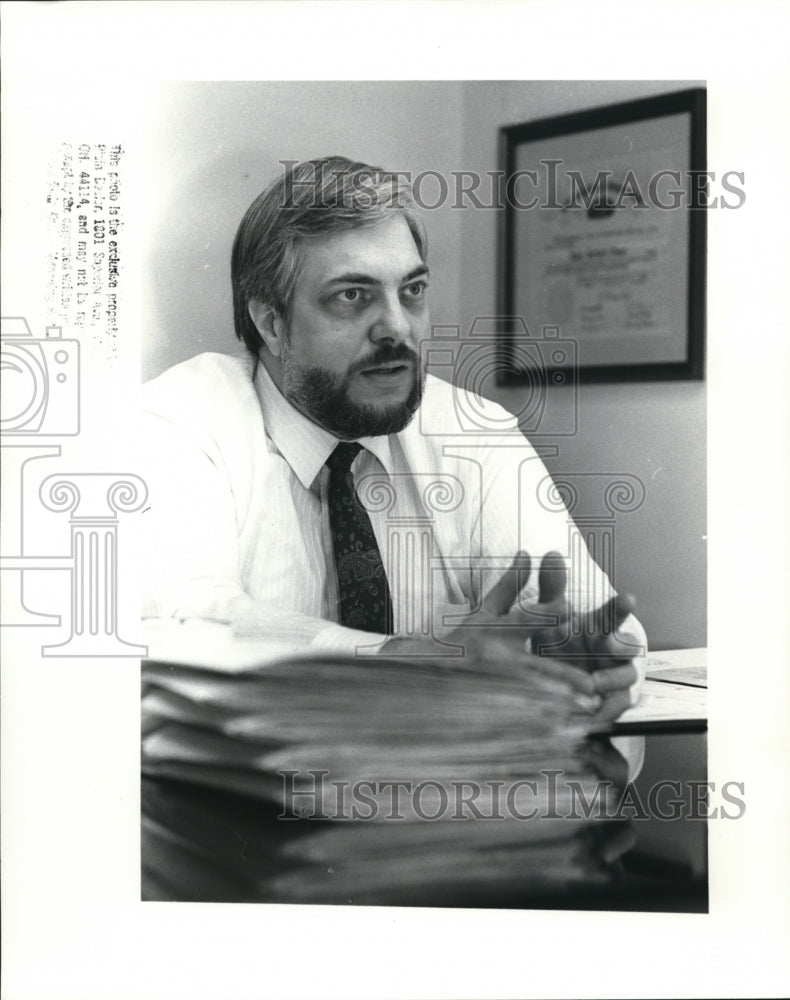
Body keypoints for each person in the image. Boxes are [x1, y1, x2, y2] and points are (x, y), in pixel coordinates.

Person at [140, 155, 647, 723]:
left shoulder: (473, 430)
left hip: (446, 797)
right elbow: (181, 621)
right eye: (352, 296)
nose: (397, 328)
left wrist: (578, 659)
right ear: (272, 324)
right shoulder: (182, 420)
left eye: (412, 291)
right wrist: (396, 661)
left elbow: (584, 615)